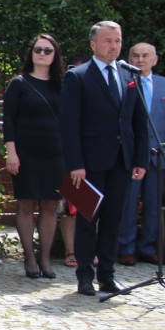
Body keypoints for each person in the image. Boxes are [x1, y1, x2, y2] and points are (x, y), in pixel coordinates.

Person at [60, 20, 149, 296]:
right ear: (93, 44)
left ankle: (107, 276)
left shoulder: (128, 75)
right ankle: (84, 275)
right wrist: (75, 163)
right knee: (87, 220)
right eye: (109, 41)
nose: (114, 46)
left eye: (118, 41)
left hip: (121, 161)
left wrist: (140, 159)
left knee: (113, 221)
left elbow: (138, 121)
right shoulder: (79, 76)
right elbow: (69, 124)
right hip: (88, 164)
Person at [4, 34, 65, 279]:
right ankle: (29, 258)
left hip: (55, 153)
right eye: (37, 49)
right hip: (26, 154)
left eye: (47, 50)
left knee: (51, 205)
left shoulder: (63, 83)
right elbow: (8, 120)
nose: (42, 53)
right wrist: (12, 153)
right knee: (26, 203)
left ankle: (46, 259)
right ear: (31, 53)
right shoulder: (19, 82)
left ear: (55, 55)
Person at [118, 42, 165, 265]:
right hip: (132, 155)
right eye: (135, 56)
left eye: (145, 56)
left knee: (154, 203)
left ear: (154, 60)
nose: (140, 60)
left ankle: (147, 247)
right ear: (129, 59)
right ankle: (125, 247)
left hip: (158, 154)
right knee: (128, 202)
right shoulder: (124, 83)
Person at [59, 53, 89, 268]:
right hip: (65, 153)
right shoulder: (63, 89)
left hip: (91, 154)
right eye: (72, 67)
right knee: (68, 208)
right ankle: (71, 250)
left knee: (89, 206)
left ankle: (88, 251)